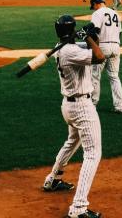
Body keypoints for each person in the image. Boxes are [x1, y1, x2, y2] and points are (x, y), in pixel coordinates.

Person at [43, 15, 105, 218]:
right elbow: (99, 56)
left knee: (72, 141)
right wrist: (88, 37)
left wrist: (90, 35)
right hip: (82, 108)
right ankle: (78, 208)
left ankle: (52, 179)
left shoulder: (61, 48)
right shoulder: (70, 52)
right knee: (93, 154)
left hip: (69, 106)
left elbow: (86, 45)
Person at [89, 0, 122, 113]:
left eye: (93, 5)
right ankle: (120, 106)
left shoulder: (97, 13)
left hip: (103, 46)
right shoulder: (115, 14)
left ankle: (93, 105)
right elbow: (120, 33)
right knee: (114, 77)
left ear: (96, 3)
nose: (93, 8)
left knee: (95, 76)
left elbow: (95, 32)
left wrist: (95, 48)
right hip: (116, 46)